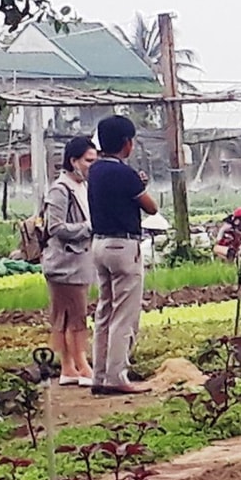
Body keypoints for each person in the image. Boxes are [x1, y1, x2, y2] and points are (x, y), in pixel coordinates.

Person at [86, 115, 158, 396]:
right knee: (124, 314)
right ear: (127, 144)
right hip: (124, 246)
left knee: (104, 311)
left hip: (99, 244)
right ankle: (117, 375)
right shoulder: (125, 174)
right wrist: (139, 185)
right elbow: (150, 207)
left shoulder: (95, 170)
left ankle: (99, 375)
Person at [40, 137, 98, 385]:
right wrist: (88, 228)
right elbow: (55, 227)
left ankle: (70, 368)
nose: (91, 166)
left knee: (71, 316)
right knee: (72, 316)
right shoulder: (60, 189)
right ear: (73, 161)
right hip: (65, 262)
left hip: (79, 260)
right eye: (88, 160)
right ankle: (79, 366)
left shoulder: (82, 187)